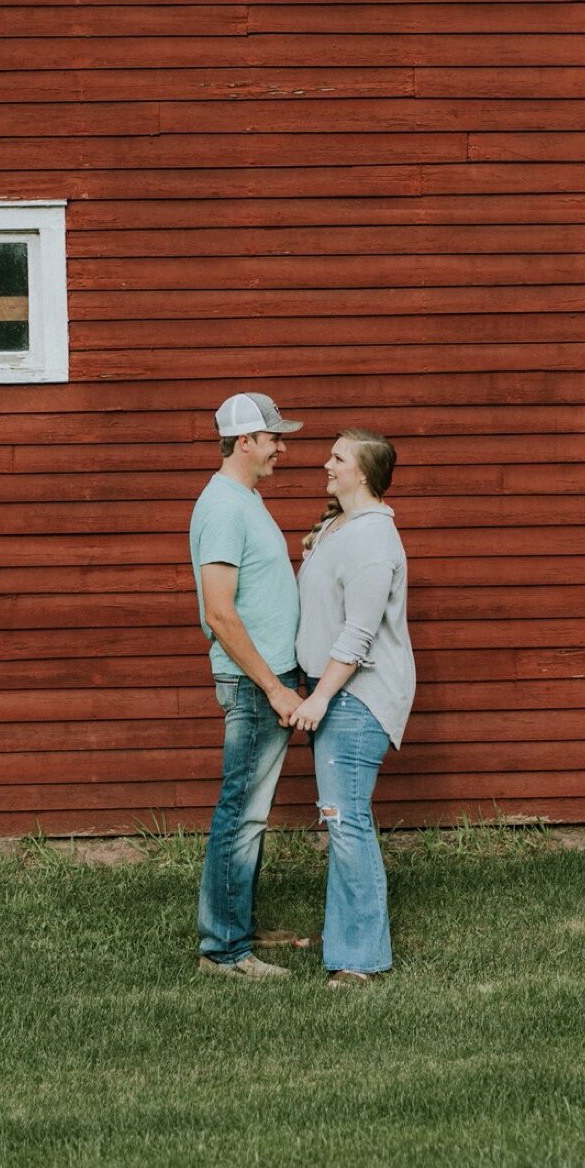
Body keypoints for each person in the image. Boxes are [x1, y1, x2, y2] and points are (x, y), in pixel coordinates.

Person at [290, 430, 415, 986]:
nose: (326, 462)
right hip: (333, 690)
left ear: (362, 472)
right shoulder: (342, 529)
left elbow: (360, 632)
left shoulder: (371, 540)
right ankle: (346, 937)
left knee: (347, 822)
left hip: (355, 697)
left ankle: (360, 960)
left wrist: (319, 696)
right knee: (341, 819)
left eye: (337, 457)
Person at [189, 391, 306, 980]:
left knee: (251, 812)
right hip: (255, 684)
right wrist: (275, 688)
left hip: (270, 679)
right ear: (245, 442)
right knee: (241, 813)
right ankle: (224, 951)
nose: (282, 449)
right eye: (274, 438)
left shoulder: (246, 499)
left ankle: (241, 926)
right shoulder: (224, 507)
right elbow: (220, 612)